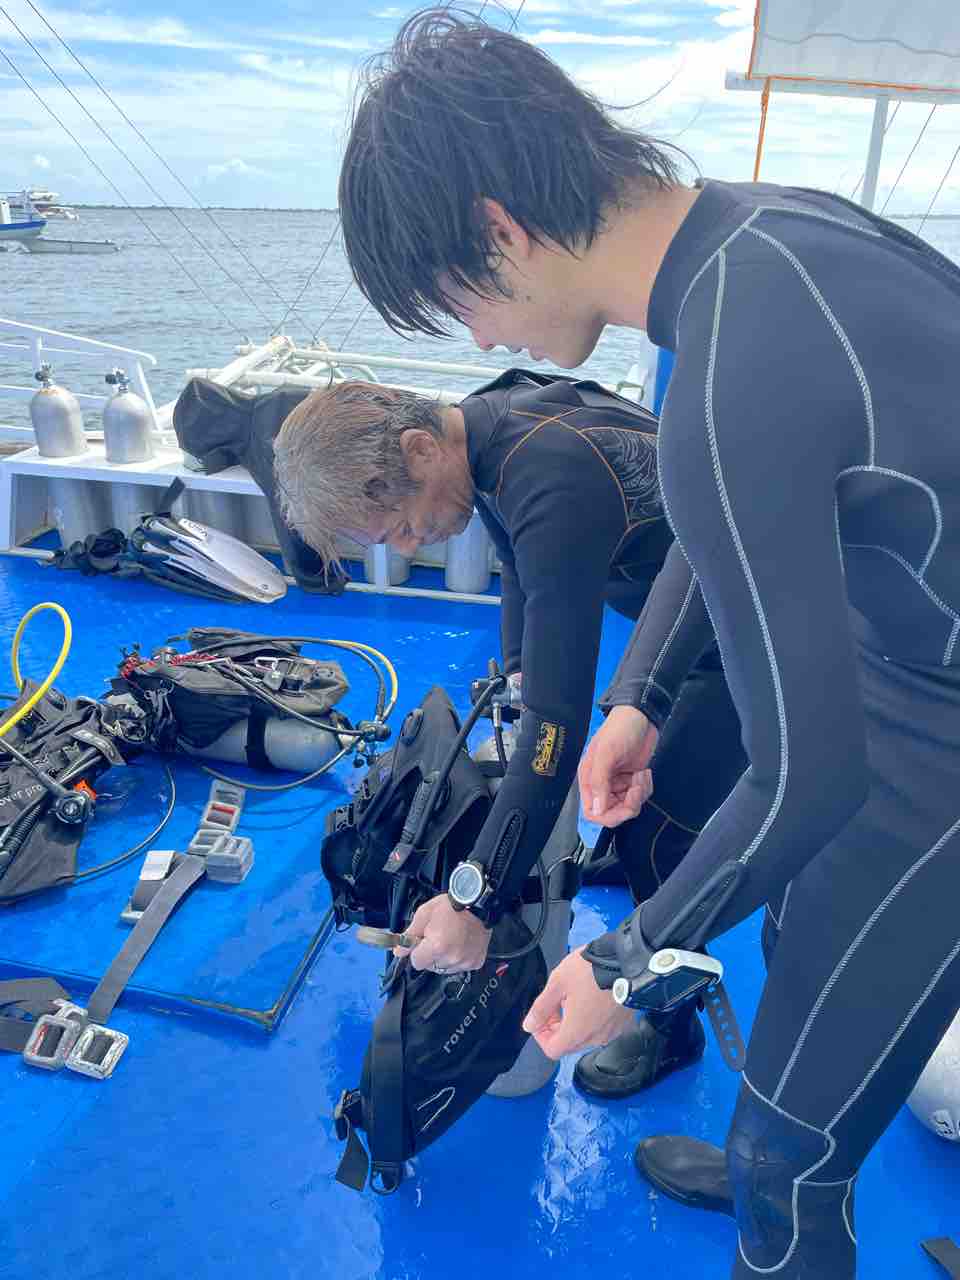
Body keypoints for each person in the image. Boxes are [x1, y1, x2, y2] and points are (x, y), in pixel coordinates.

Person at [336, 10, 960, 1278]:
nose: (481, 344)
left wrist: (622, 960)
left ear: (501, 230)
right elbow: (729, 504)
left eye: (460, 300)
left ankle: (783, 1169)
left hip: (939, 723)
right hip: (902, 642)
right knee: (789, 938)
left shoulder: (729, 368)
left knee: (793, 1156)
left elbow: (808, 777)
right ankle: (777, 1132)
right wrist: (640, 695)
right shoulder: (756, 239)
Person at [274, 371, 744, 1097]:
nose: (411, 545)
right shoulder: (485, 432)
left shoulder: (549, 477)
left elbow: (557, 734)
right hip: (686, 621)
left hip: (748, 640)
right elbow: (520, 566)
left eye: (403, 527)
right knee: (623, 805)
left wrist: (476, 901)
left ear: (419, 448)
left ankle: (669, 1023)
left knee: (658, 835)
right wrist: (521, 669)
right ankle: (627, 858)